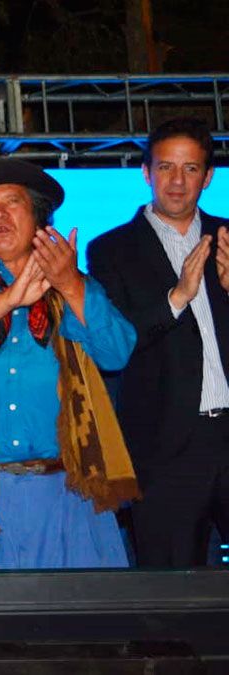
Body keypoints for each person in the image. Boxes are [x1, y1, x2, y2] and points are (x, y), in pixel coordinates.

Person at [0, 157, 138, 569]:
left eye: (12, 202)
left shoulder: (75, 287)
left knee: (82, 611)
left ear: (37, 218)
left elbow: (116, 352)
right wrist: (9, 299)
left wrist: (69, 285)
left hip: (69, 492)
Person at [87, 117, 229, 568]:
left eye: (191, 169)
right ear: (146, 172)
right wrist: (177, 297)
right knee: (173, 584)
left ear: (208, 176)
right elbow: (117, 343)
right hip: (166, 447)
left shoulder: (227, 237)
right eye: (166, 167)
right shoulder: (111, 249)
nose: (177, 181)